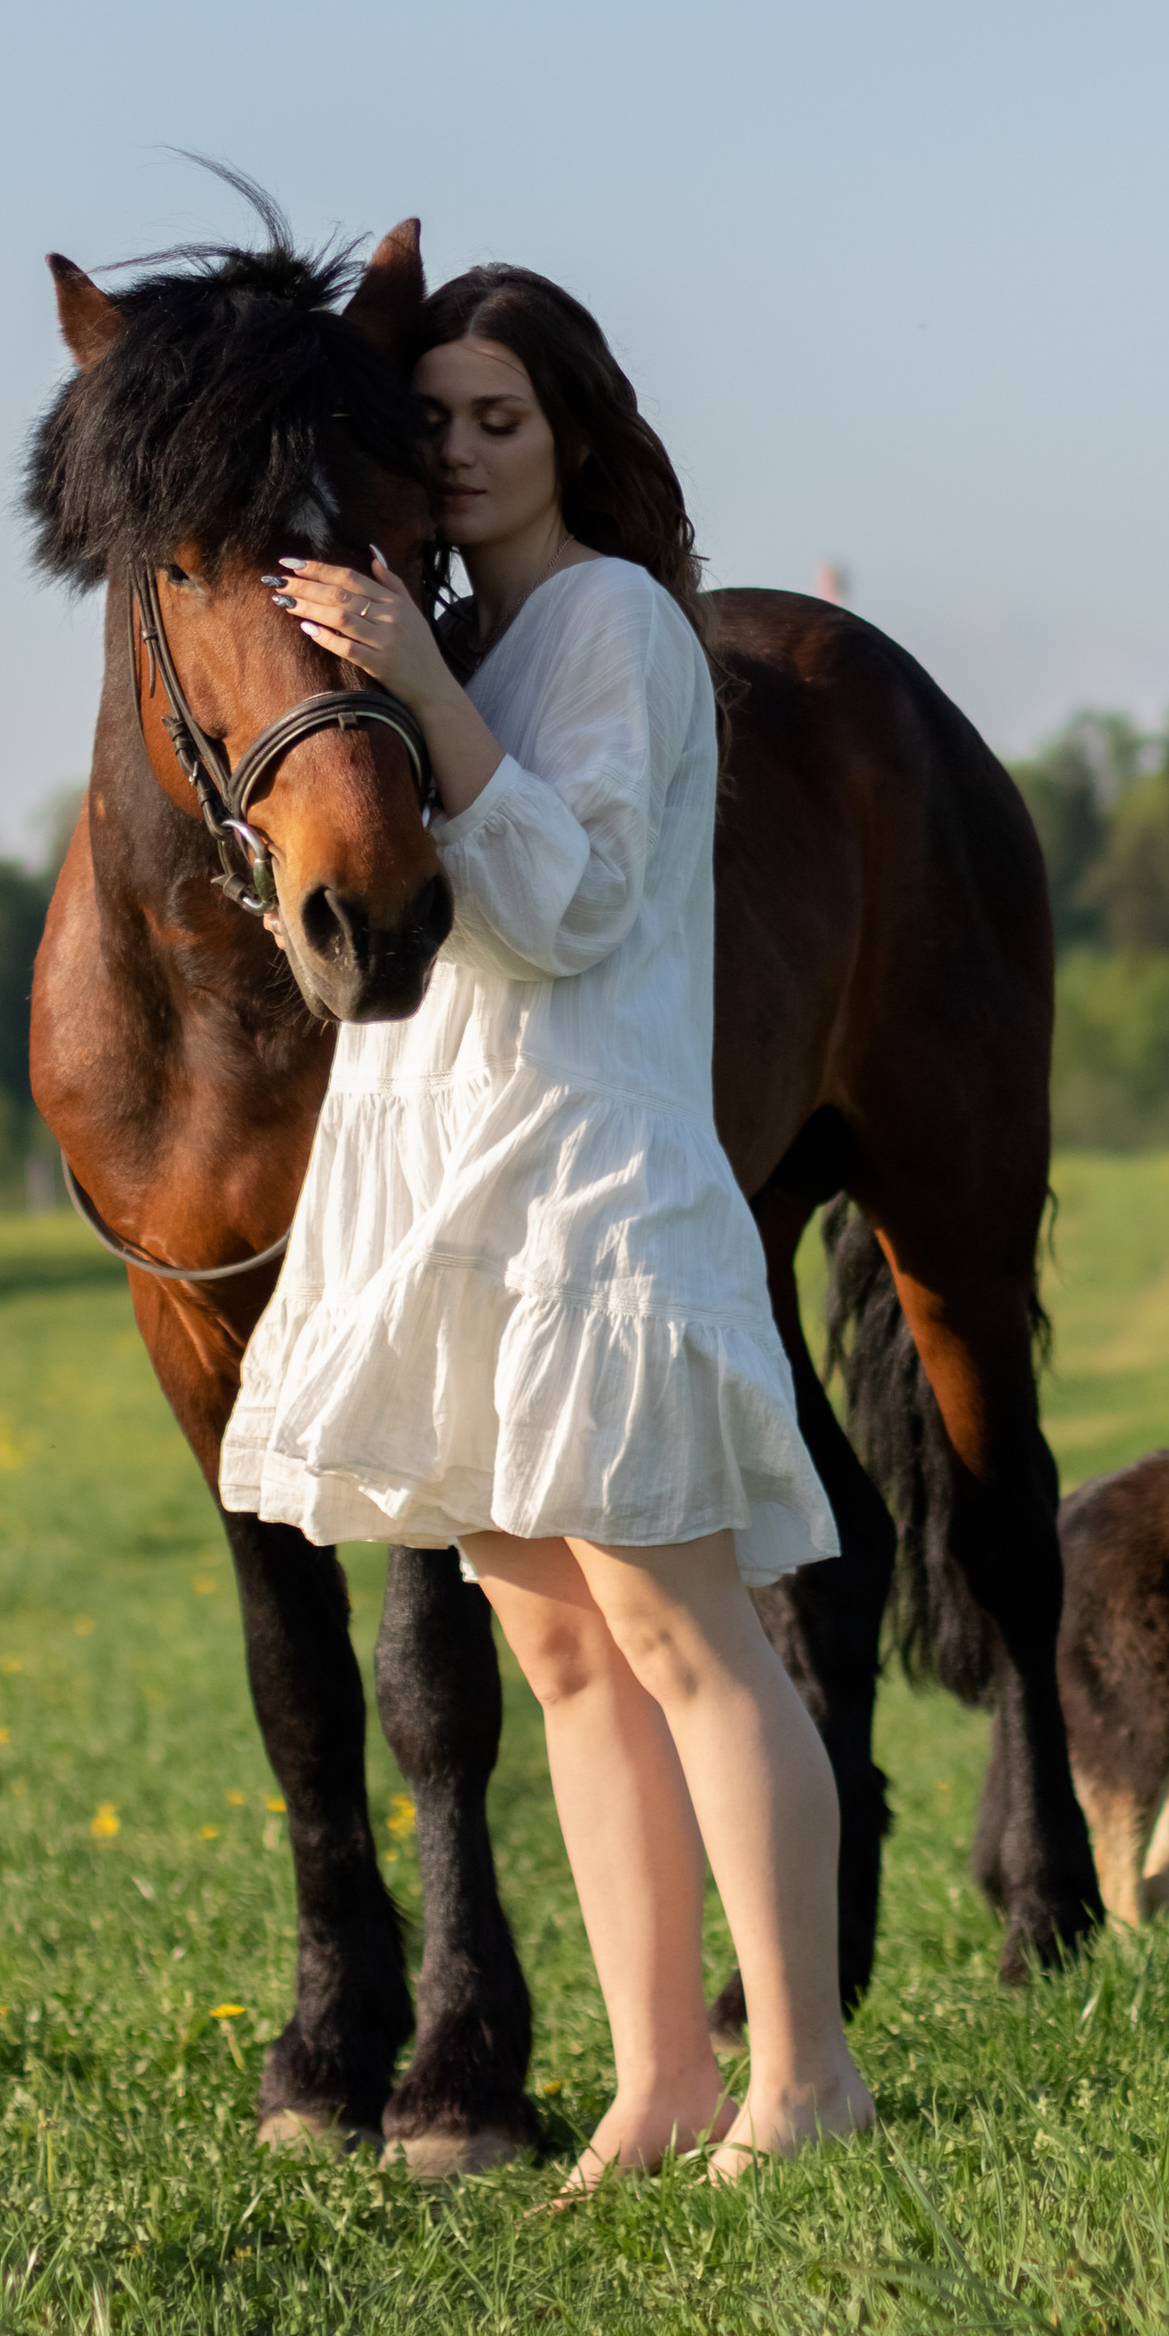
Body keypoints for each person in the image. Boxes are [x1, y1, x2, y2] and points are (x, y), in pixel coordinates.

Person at [217, 263, 873, 2187]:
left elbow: (574, 905)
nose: (465, 450)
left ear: (571, 433)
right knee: (564, 1660)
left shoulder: (609, 628)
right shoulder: (471, 642)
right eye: (432, 423)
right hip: (459, 1203)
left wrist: (413, 686)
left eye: (501, 416)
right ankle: (662, 2075)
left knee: (691, 1646)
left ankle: (809, 2071)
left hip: (590, 1196)